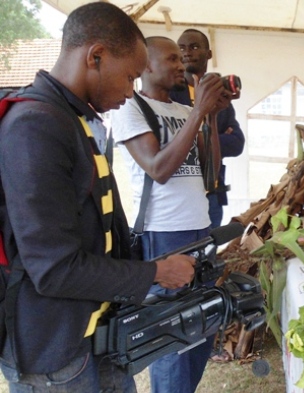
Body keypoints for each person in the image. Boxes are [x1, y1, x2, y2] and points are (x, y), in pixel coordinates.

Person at [0, 3, 196, 392]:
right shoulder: (35, 126)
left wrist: (146, 264)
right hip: (55, 356)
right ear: (95, 56)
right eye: (129, 77)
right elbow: (54, 268)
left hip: (97, 338)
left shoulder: (72, 118)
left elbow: (95, 230)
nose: (130, 92)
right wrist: (155, 273)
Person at [111, 36, 231, 393]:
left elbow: (211, 171)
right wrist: (198, 113)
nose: (182, 65)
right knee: (171, 337)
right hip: (164, 236)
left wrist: (207, 114)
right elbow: (158, 169)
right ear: (146, 65)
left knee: (201, 330)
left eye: (183, 59)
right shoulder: (131, 108)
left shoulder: (182, 112)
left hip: (199, 232)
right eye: (172, 59)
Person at [171, 29, 245, 228]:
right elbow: (169, 141)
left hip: (213, 194)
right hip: (179, 194)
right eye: (182, 48)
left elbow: (237, 143)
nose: (187, 52)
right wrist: (211, 135)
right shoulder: (170, 93)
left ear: (209, 54)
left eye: (194, 47)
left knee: (209, 255)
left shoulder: (219, 94)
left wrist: (192, 137)